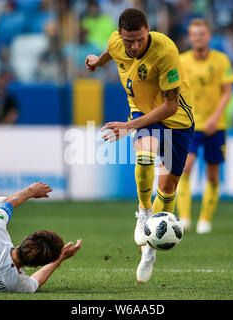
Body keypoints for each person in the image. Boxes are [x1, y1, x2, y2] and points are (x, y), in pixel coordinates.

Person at [85, 8, 194, 284]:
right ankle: (144, 212)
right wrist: (98, 61)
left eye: (140, 40)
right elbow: (111, 51)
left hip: (176, 119)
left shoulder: (165, 51)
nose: (134, 47)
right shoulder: (115, 42)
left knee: (168, 190)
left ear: (148, 31)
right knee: (144, 157)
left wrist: (127, 127)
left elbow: (169, 106)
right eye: (129, 41)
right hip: (142, 113)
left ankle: (149, 252)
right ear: (121, 35)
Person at [176, 19, 233, 234]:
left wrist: (215, 117)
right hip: (189, 125)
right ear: (189, 38)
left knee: (212, 174)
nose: (198, 37)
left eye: (202, 33)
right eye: (194, 34)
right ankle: (184, 218)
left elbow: (227, 91)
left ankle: (205, 220)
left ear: (208, 36)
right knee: (184, 169)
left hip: (215, 125)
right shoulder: (181, 61)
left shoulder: (221, 60)